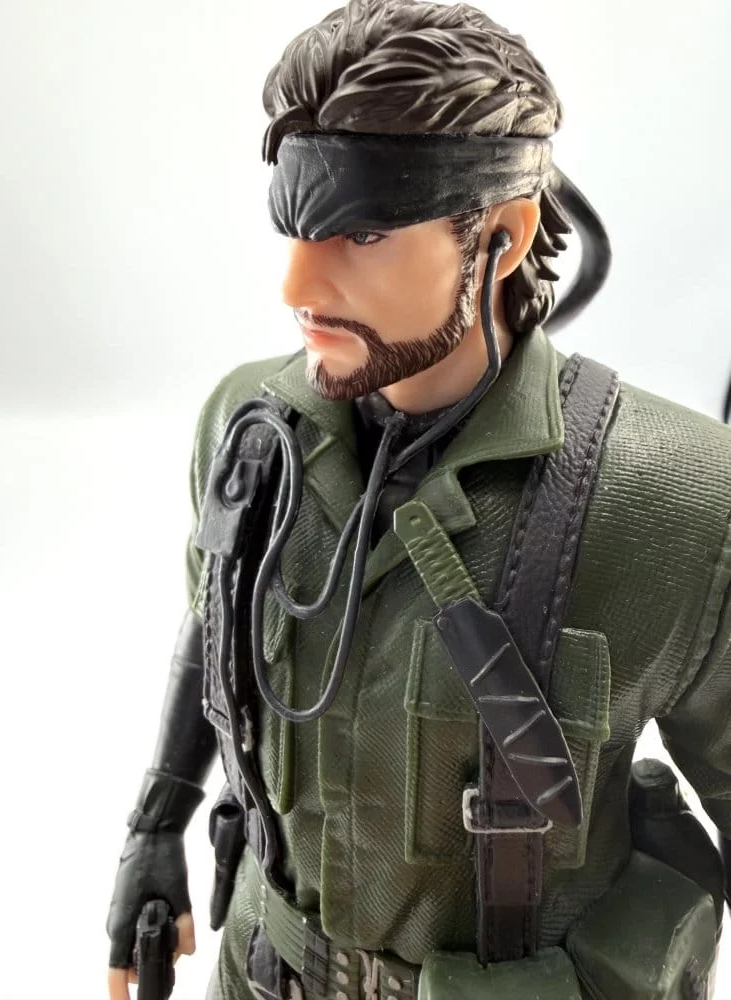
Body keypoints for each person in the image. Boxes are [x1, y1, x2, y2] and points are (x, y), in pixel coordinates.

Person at [107, 2, 731, 998]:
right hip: (263, 967)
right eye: (296, 228)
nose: (298, 283)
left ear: (501, 235)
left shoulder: (677, 502)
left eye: (362, 232)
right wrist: (154, 825)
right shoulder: (249, 432)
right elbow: (216, 611)